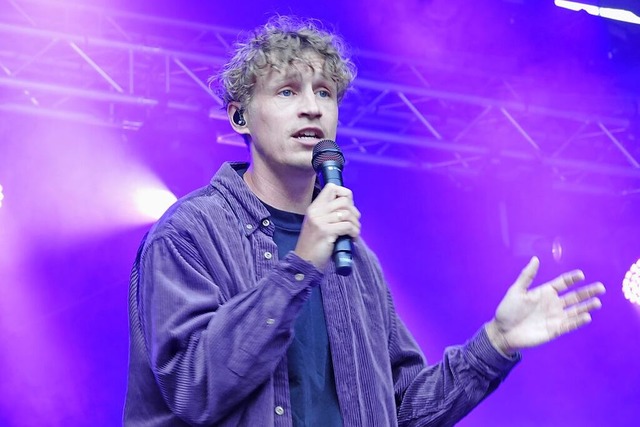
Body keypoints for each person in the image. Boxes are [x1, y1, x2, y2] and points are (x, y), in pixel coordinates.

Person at [123, 16, 606, 426]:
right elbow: (194, 388)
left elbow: (402, 407)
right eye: (287, 91)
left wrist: (495, 343)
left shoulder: (354, 257)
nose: (311, 106)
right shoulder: (188, 234)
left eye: (325, 93)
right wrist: (299, 266)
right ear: (239, 117)